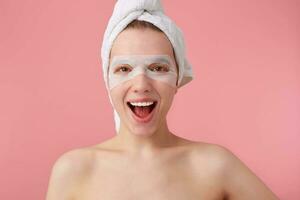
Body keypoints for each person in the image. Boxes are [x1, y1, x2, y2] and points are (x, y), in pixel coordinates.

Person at [46, 1, 279, 199]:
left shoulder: (214, 165)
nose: (141, 85)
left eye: (157, 68)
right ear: (108, 80)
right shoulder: (73, 170)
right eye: (124, 69)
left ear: (178, 78)